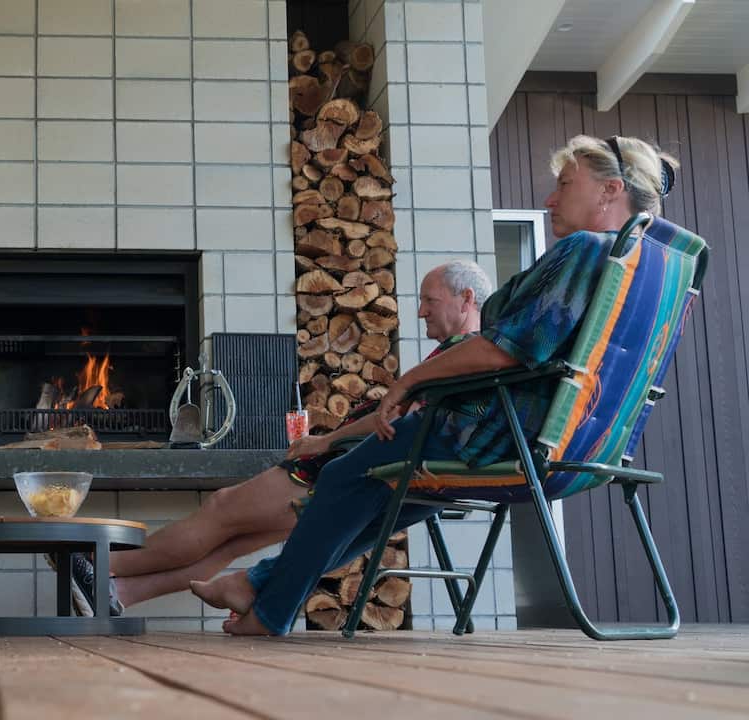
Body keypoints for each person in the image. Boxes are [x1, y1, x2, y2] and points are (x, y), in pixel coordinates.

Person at [191, 134, 680, 635]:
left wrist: (412, 381)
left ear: (609, 190)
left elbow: (505, 348)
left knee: (342, 478)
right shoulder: (653, 267)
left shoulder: (585, 249)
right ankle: (260, 584)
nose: (550, 198)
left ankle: (269, 607)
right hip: (583, 445)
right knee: (393, 495)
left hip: (489, 433)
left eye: (564, 184)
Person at [65, 260, 491, 615]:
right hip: (354, 478)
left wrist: (324, 442)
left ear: (466, 299)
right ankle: (120, 595)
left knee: (221, 509)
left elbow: (398, 418)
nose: (420, 312)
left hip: (333, 468)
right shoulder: (469, 356)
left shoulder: (463, 354)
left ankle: (97, 565)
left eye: (429, 301)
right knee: (229, 544)